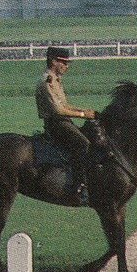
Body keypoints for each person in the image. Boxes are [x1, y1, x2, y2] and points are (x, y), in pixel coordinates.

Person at [35, 46, 104, 199]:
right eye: (64, 63)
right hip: (56, 123)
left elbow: (65, 106)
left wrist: (86, 112)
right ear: (54, 62)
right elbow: (58, 110)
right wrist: (82, 114)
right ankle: (79, 185)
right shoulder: (47, 81)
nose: (67, 66)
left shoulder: (56, 80)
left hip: (63, 121)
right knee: (83, 144)